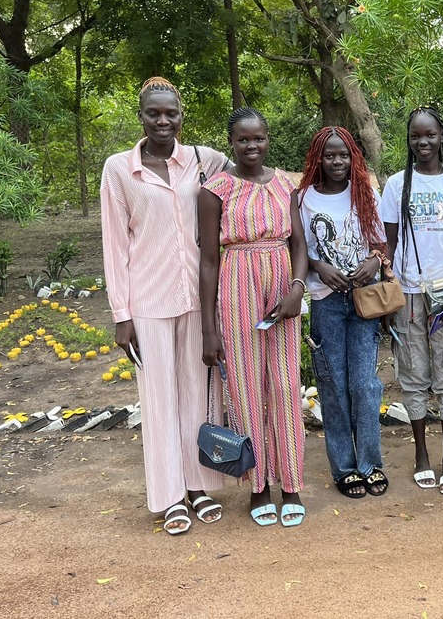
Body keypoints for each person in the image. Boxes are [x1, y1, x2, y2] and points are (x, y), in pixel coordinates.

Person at [100, 77, 228, 535]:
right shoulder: (119, 169)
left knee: (197, 393)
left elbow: (250, 166)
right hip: (148, 300)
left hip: (197, 298)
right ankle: (170, 494)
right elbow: (114, 244)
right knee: (158, 399)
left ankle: (198, 485)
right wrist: (121, 316)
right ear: (141, 116)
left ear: (180, 115)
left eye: (170, 113)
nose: (162, 120)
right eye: (154, 113)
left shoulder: (201, 159)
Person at [199, 107, 308, 526]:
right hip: (237, 284)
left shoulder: (286, 184)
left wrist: (297, 289)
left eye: (258, 138)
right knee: (244, 387)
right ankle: (258, 484)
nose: (251, 146)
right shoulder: (216, 190)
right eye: (243, 140)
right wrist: (210, 328)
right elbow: (209, 261)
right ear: (232, 143)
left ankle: (292, 483)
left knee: (283, 383)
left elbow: (299, 243)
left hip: (282, 284)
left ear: (268, 139)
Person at [380, 106, 443, 495]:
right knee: (414, 376)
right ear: (409, 140)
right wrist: (390, 293)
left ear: (442, 138)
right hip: (408, 295)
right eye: (416, 136)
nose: (423, 142)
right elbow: (388, 245)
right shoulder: (396, 185)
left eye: (430, 135)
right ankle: (421, 454)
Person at [297, 127, 388, 499]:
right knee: (333, 386)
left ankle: (370, 463)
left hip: (364, 299)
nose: (337, 162)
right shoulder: (304, 199)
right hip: (327, 302)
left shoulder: (365, 194)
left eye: (344, 155)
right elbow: (298, 248)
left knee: (365, 385)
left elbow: (381, 243)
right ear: (318, 158)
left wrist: (373, 261)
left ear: (354, 157)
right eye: (330, 156)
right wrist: (319, 267)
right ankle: (345, 468)